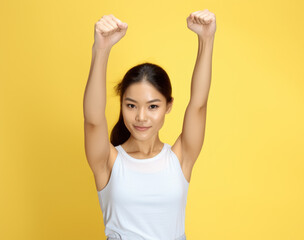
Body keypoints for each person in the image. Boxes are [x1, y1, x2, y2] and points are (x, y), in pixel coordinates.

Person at [83, 9, 216, 240]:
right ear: (122, 105)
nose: (141, 117)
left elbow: (198, 105)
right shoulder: (108, 161)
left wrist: (206, 39)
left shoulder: (179, 159)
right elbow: (93, 121)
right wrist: (101, 50)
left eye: (152, 106)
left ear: (168, 106)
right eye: (131, 105)